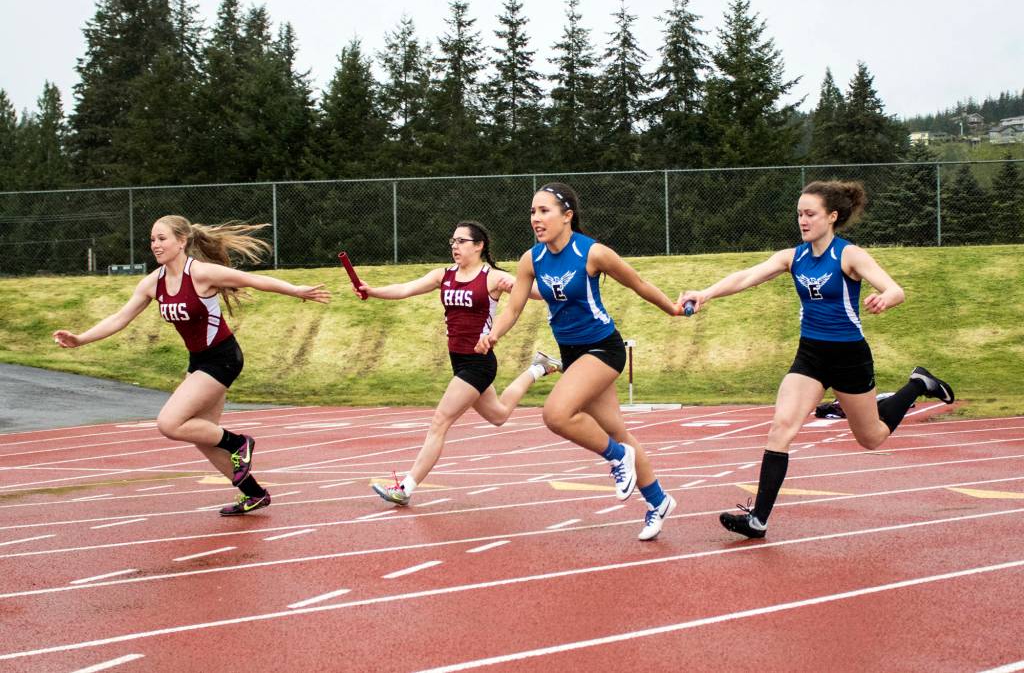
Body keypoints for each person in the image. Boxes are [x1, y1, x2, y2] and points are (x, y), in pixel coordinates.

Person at [678, 180, 954, 540]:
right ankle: (758, 519)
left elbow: (895, 289)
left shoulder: (849, 255)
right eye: (799, 214)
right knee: (781, 427)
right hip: (811, 354)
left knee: (871, 438)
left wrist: (885, 298)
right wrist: (706, 293)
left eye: (810, 214)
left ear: (832, 217)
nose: (802, 221)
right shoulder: (794, 257)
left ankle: (918, 384)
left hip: (849, 356)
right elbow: (748, 276)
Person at [53, 215, 331, 516]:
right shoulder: (153, 282)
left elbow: (253, 280)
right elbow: (120, 318)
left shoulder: (200, 273)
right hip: (198, 360)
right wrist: (80, 339)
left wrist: (296, 290)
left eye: (162, 239)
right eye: (152, 239)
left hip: (223, 358)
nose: (155, 245)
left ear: (181, 241)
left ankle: (239, 442)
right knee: (202, 436)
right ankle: (254, 493)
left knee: (170, 423)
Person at [476, 183, 682, 541]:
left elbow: (638, 283)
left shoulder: (592, 252)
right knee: (617, 430)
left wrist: (673, 309)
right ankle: (658, 500)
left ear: (567, 215)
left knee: (556, 414)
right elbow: (514, 308)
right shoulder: (531, 259)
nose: (536, 219)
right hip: (572, 354)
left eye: (544, 211)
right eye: (532, 212)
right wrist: (493, 334)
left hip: (603, 348)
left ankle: (617, 457)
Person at [362, 221, 561, 506]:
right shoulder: (443, 275)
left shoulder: (492, 277)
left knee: (439, 421)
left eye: (461, 241)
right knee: (499, 415)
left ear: (479, 246)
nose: (455, 246)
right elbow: (405, 288)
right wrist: (373, 291)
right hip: (459, 361)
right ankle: (539, 367)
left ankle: (405, 488)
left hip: (478, 363)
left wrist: (527, 284)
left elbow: (537, 292)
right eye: (452, 241)